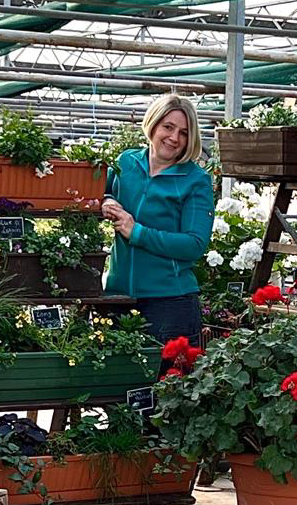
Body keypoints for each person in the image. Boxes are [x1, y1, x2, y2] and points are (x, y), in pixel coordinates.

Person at [102, 93, 214, 347]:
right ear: (153, 124)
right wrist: (107, 200)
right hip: (117, 298)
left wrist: (137, 232)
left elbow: (194, 244)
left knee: (166, 374)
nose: (174, 138)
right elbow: (101, 191)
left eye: (184, 133)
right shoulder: (126, 162)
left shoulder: (195, 180)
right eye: (168, 127)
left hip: (170, 304)